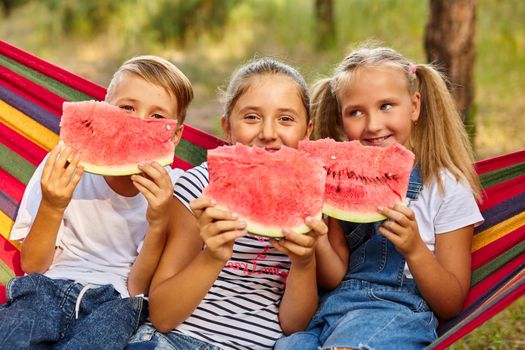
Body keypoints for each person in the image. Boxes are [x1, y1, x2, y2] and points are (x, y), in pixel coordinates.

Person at [275, 46, 484, 349]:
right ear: (341, 118)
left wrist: (414, 248)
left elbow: (451, 302)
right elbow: (333, 277)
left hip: (395, 313)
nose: (372, 125)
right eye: (356, 112)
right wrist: (316, 231)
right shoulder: (334, 179)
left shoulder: (446, 187)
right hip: (328, 312)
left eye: (386, 106)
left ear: (414, 106)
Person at [127, 58, 328, 350]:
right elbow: (162, 316)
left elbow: (294, 326)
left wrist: (304, 263)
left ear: (307, 131)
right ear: (227, 127)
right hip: (173, 340)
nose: (269, 133)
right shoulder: (197, 189)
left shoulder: (310, 198)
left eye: (285, 119)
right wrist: (213, 256)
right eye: (251, 117)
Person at [0, 55, 194, 349]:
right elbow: (33, 264)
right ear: (104, 111)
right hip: (46, 287)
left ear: (176, 134)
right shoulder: (63, 165)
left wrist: (158, 223)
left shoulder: (175, 189)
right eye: (127, 108)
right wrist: (53, 205)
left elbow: (137, 287)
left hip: (117, 304)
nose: (138, 124)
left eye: (157, 117)